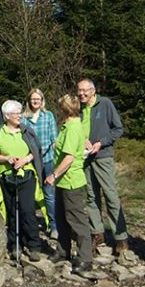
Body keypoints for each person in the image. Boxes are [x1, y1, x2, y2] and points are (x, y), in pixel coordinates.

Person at [0, 100, 44, 262]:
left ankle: (34, 245)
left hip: (26, 175)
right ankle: (15, 244)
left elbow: (36, 151)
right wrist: (7, 158)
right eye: (15, 113)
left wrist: (25, 159)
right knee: (12, 211)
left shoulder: (27, 131)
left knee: (27, 210)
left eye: (20, 112)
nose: (19, 116)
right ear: (7, 116)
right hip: (6, 175)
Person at [77, 78, 128, 253]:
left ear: (93, 91)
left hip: (103, 157)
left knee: (111, 196)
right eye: (79, 91)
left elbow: (118, 129)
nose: (81, 94)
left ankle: (121, 237)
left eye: (85, 90)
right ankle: (97, 233)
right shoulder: (80, 108)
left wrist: (101, 142)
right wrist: (81, 140)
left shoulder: (105, 104)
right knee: (91, 197)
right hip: (85, 159)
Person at [44, 94, 93, 275]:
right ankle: (62, 250)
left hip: (71, 180)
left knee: (76, 220)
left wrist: (53, 175)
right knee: (61, 217)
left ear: (64, 110)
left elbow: (70, 157)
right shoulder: (67, 125)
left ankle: (85, 257)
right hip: (63, 182)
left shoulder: (72, 127)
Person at [22, 89, 59, 239]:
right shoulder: (24, 118)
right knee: (30, 194)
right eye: (33, 99)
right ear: (29, 101)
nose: (35, 101)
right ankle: (29, 227)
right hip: (30, 161)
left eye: (38, 99)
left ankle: (53, 225)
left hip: (47, 160)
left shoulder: (48, 116)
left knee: (49, 193)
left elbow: (54, 138)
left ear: (42, 100)